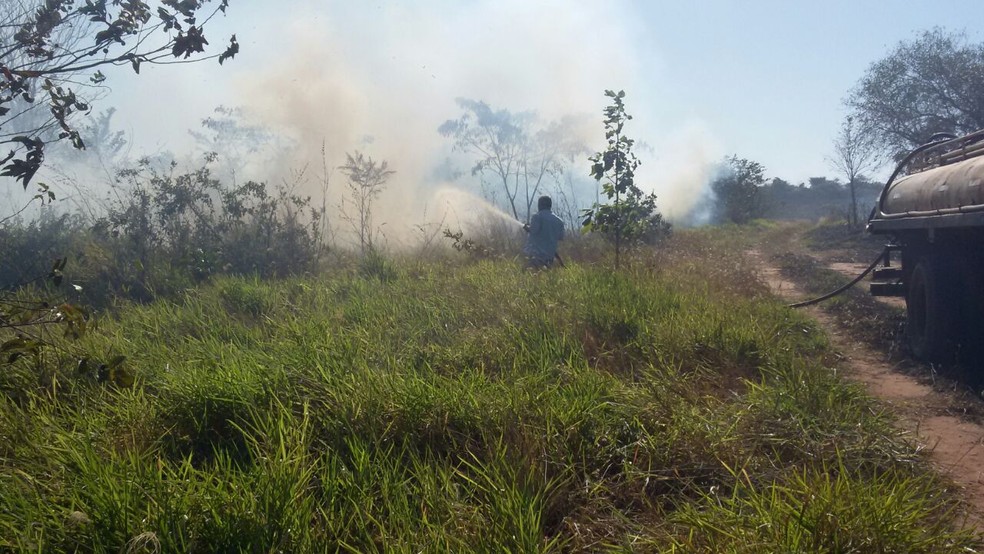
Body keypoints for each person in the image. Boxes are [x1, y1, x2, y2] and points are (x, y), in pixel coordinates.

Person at [522, 195, 564, 269]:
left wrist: (527, 228)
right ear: (550, 205)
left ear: (540, 205)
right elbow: (560, 237)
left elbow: (533, 231)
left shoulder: (537, 217)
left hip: (535, 256)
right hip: (549, 257)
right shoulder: (559, 221)